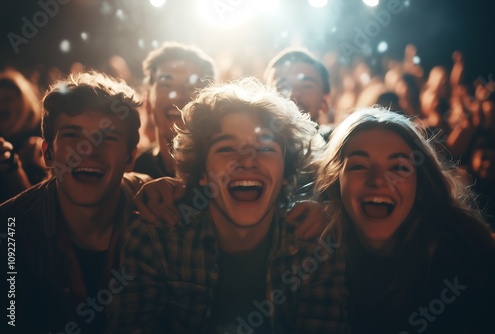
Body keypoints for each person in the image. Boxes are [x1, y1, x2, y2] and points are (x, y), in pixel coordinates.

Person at [108, 78, 349, 333]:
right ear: (201, 170)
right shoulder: (155, 238)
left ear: (287, 173)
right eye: (226, 148)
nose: (246, 161)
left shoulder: (315, 247)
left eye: (265, 147)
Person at [314, 108, 495, 333]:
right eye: (359, 166)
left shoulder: (466, 265)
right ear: (335, 182)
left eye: (399, 168)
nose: (379, 181)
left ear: (420, 185)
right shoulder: (315, 257)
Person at [0, 71, 150, 333]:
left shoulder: (155, 207)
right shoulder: (9, 229)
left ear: (129, 158)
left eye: (107, 137)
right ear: (47, 153)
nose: (89, 150)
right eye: (72, 135)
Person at [133, 41, 217, 179]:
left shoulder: (224, 173)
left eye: (192, 86)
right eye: (166, 85)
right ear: (147, 101)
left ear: (212, 104)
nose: (179, 95)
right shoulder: (132, 176)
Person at [263, 47, 334, 140]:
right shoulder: (253, 148)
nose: (293, 94)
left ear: (325, 101)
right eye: (283, 86)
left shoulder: (340, 148)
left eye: (306, 86)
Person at [0, 68, 48, 203]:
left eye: (7, 99)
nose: (1, 105)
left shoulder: (37, 146)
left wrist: (10, 165)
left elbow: (37, 208)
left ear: (24, 104)